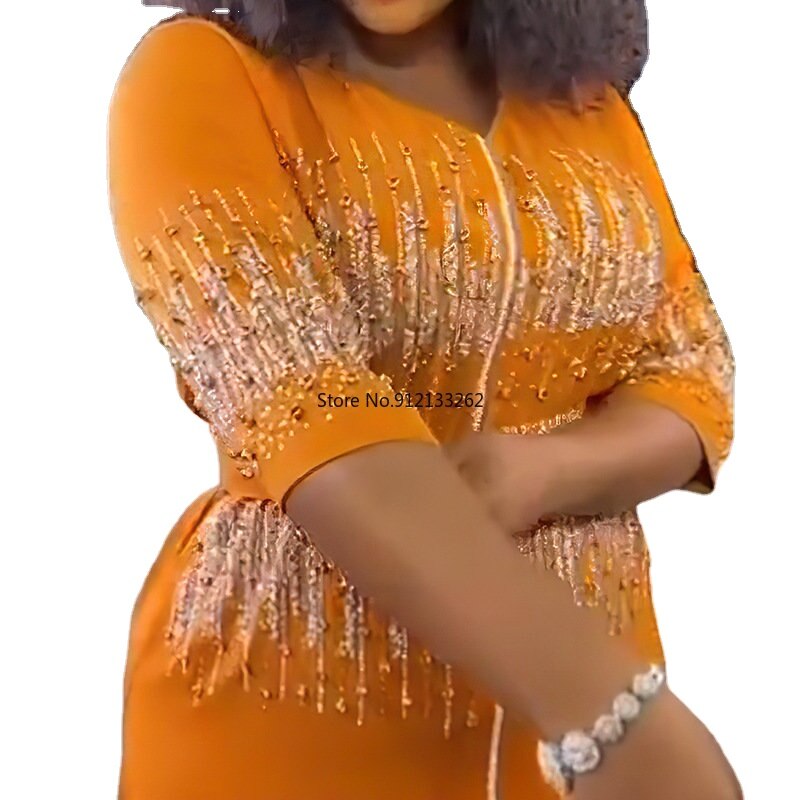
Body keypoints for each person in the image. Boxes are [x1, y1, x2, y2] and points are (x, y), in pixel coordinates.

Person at [108, 2, 740, 798]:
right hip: (296, 721)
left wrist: (546, 471)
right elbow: (301, 399)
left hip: (578, 738)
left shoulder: (586, 105)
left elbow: (694, 367)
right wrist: (608, 712)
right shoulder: (202, 74)